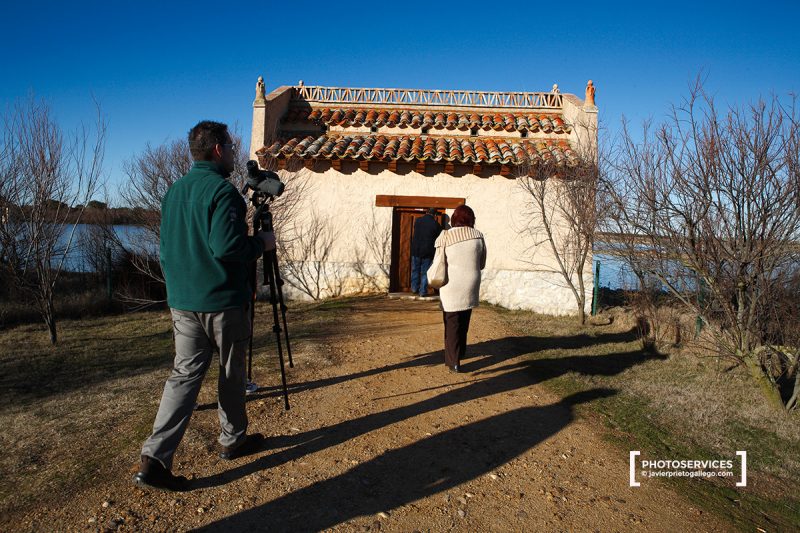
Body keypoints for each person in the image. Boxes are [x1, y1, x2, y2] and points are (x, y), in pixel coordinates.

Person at [133, 121, 276, 492]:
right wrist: (261, 244)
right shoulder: (224, 194)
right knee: (230, 372)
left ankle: (154, 458)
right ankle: (232, 439)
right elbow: (227, 248)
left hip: (182, 301)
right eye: (230, 146)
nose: (232, 152)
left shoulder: (174, 192)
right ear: (217, 150)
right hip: (222, 302)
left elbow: (167, 248)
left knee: (183, 377)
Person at [435, 204, 486, 372]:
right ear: (472, 219)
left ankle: (453, 361)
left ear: (455, 218)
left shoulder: (446, 236)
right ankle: (461, 352)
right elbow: (482, 263)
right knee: (464, 320)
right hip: (471, 283)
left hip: (451, 284)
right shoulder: (478, 236)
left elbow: (439, 262)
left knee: (452, 323)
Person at [410, 208, 442, 298]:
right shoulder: (436, 224)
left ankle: (414, 289)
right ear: (435, 215)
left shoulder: (418, 221)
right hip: (428, 251)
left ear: (426, 212)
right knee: (425, 272)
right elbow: (440, 236)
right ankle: (422, 291)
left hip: (416, 250)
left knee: (415, 269)